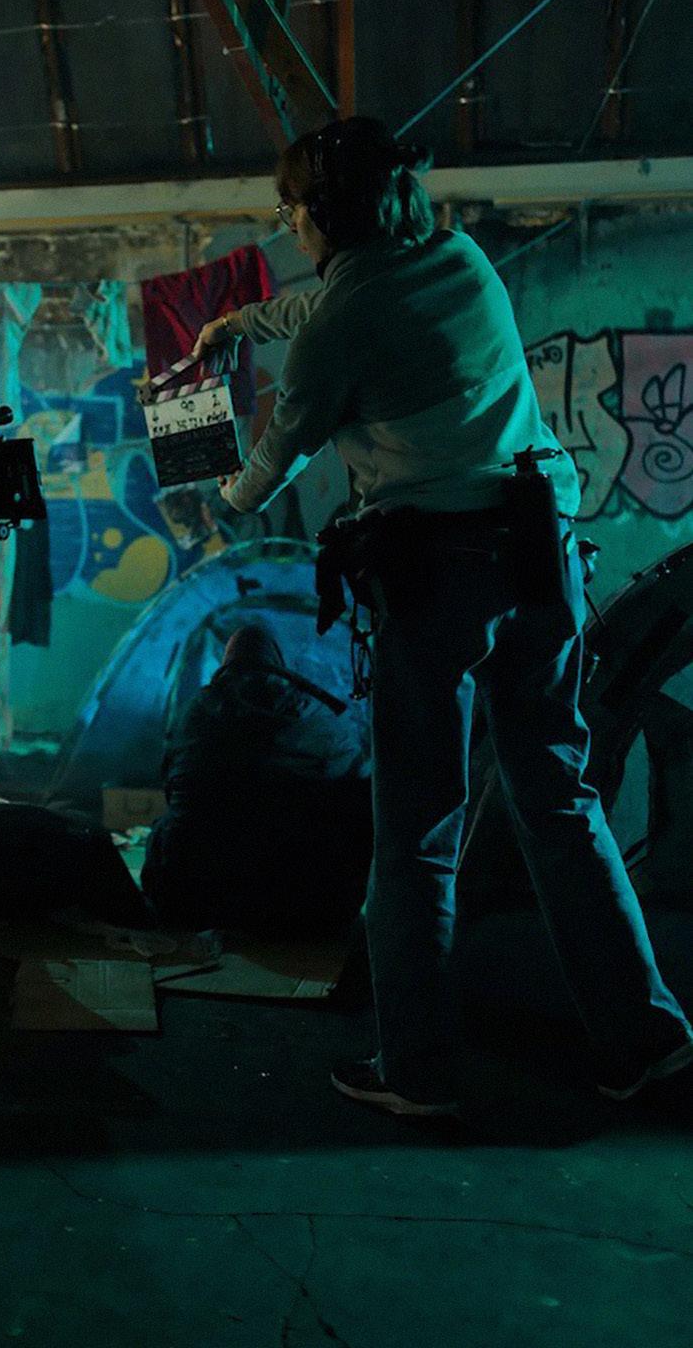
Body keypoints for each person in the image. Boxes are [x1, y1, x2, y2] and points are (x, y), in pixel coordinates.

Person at [195, 116, 693, 1118]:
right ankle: (644, 1037)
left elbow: (271, 461)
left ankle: (416, 1071)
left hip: (434, 581)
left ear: (318, 211)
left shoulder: (340, 325)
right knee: (560, 804)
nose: (287, 226)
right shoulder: (459, 261)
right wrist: (243, 322)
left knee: (418, 827)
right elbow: (340, 301)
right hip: (541, 558)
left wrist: (217, 483)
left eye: (289, 209)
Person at [141, 621, 372, 933]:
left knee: (167, 827)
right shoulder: (316, 715)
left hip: (195, 900)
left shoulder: (198, 711)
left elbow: (172, 784)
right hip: (311, 906)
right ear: (279, 661)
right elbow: (359, 786)